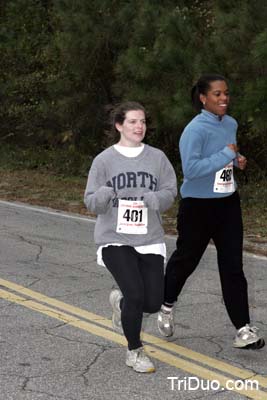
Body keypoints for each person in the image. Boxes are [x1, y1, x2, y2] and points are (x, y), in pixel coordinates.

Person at [157, 74, 265, 350]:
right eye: (217, 94)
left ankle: (243, 329)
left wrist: (236, 160)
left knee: (233, 267)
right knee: (186, 261)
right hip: (198, 206)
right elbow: (191, 170)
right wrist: (225, 156)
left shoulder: (230, 124)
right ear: (203, 98)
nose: (224, 99)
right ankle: (166, 306)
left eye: (226, 93)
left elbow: (224, 156)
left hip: (228, 202)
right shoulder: (194, 130)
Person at [84, 101, 177, 372]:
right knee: (136, 294)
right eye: (133, 122)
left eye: (143, 122)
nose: (140, 126)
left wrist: (156, 198)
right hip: (114, 237)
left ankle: (121, 303)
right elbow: (91, 201)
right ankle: (134, 351)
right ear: (119, 125)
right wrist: (104, 194)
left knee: (151, 302)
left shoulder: (157, 158)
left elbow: (171, 190)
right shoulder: (103, 160)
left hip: (149, 237)